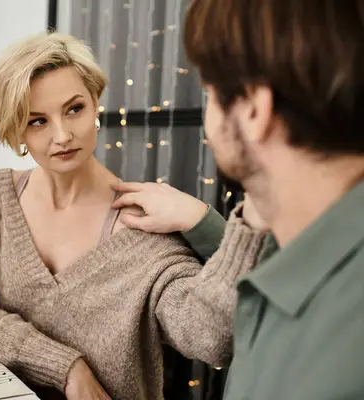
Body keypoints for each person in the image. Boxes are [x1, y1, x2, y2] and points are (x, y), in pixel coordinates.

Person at [0, 32, 266, 400]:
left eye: (74, 109)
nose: (62, 135)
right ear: (16, 132)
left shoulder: (144, 228)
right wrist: (65, 367)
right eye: (37, 121)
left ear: (95, 105)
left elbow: (211, 337)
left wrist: (204, 218)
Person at [112, 1, 364, 398]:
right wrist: (201, 219)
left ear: (253, 109)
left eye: (210, 93)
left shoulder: (334, 350)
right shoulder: (298, 241)